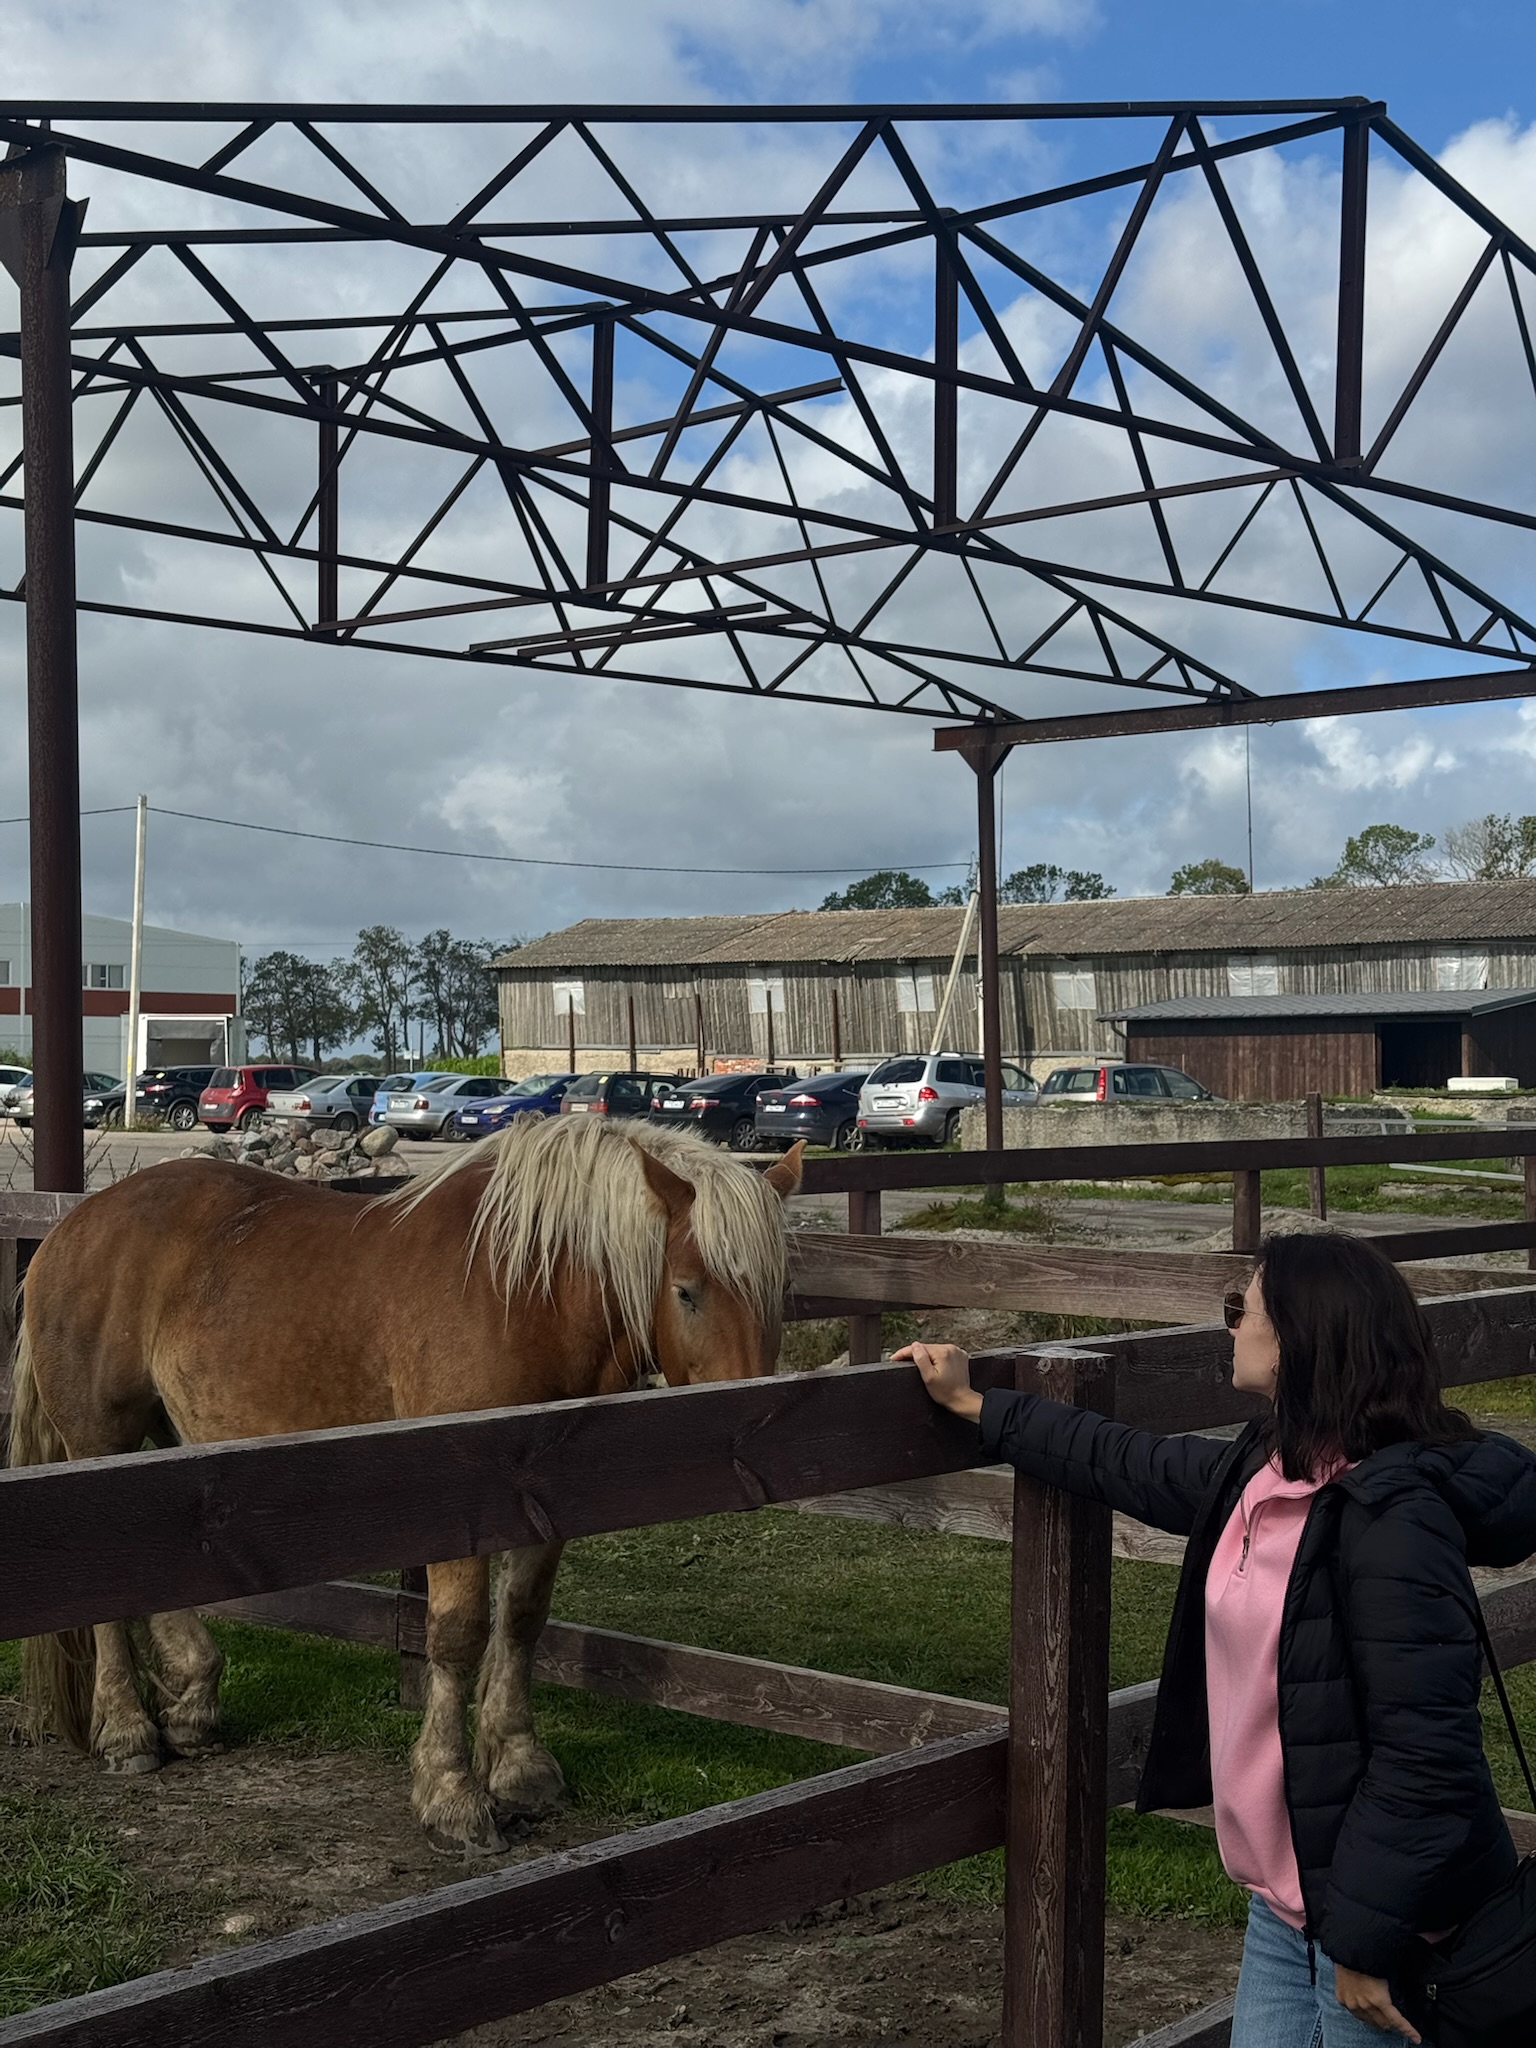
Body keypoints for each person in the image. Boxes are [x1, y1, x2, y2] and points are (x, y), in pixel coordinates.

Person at [897, 1230, 1536, 2045]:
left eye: (1243, 1309)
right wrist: (981, 1406)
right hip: (1284, 1913)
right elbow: (1130, 1462)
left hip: (1388, 1934)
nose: (1229, 1325)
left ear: (1303, 1340)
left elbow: (1428, 1755)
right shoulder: (1265, 1473)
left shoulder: (1390, 1522)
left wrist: (1363, 1941)